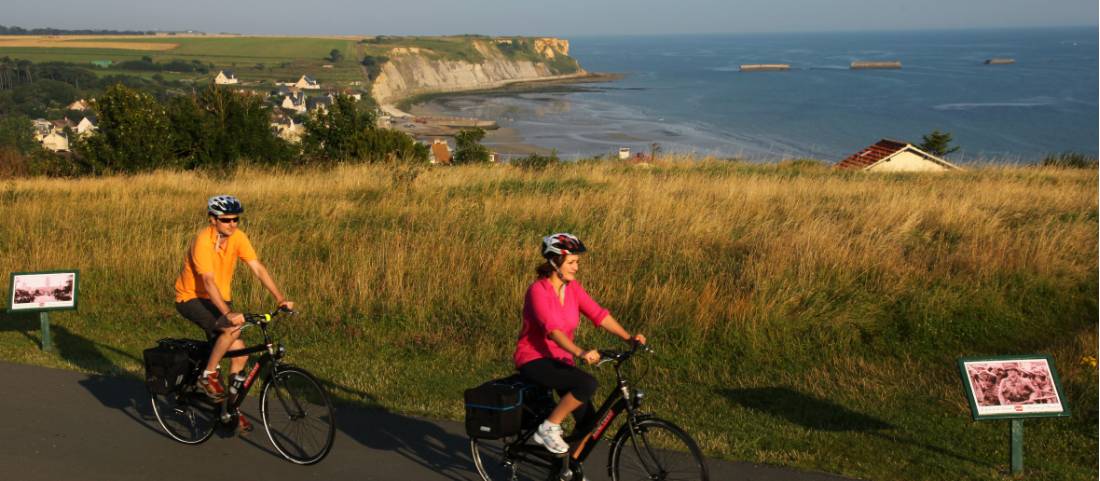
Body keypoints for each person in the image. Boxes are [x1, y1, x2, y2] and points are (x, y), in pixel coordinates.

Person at [513, 233, 646, 454]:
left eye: (577, 262)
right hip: (535, 358)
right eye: (572, 262)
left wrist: (628, 337)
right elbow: (553, 331)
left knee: (589, 423)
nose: (576, 267)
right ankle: (548, 427)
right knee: (587, 384)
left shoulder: (572, 288)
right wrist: (580, 351)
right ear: (555, 262)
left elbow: (599, 314)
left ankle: (568, 472)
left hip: (560, 360)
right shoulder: (538, 291)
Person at [174, 195, 294, 433]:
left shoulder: (237, 238)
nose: (232, 224)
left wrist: (280, 298)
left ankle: (229, 410)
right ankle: (207, 375)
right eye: (226, 219)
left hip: (219, 298)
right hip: (192, 298)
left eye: (236, 219)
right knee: (231, 328)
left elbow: (257, 267)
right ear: (213, 220)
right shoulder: (202, 242)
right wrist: (228, 313)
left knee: (240, 355)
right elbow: (208, 281)